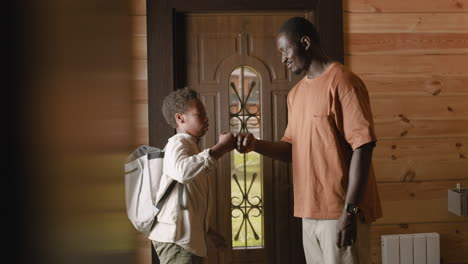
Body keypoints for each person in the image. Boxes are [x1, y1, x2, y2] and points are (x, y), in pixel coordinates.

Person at [236, 17, 382, 264]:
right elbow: (292, 149)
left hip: (341, 212)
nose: (282, 58)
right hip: (309, 212)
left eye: (285, 50)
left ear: (305, 42)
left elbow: (363, 146)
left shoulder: (343, 82)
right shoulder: (295, 95)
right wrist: (256, 145)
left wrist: (350, 211)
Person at [150, 87, 235, 264]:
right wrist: (220, 148)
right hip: (177, 240)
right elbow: (182, 172)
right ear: (180, 118)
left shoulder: (190, 146)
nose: (206, 118)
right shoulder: (177, 143)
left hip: (184, 239)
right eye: (200, 114)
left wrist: (208, 231)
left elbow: (189, 198)